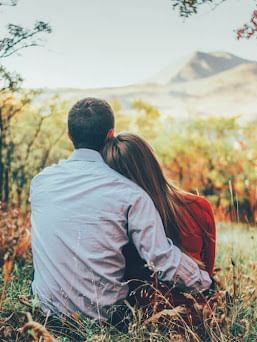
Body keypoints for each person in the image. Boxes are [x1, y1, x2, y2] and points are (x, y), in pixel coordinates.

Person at [30, 98, 212, 324]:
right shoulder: (131, 194)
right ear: (110, 134)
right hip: (103, 320)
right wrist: (206, 285)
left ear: (69, 135)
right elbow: (161, 260)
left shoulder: (39, 183)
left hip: (44, 317)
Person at [102, 133, 216, 317]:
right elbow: (208, 272)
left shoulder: (116, 221)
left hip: (146, 321)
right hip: (198, 315)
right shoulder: (198, 206)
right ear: (151, 164)